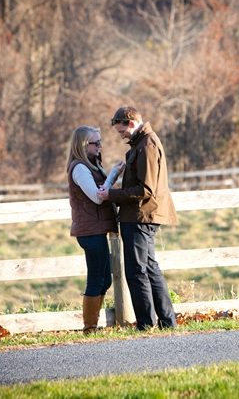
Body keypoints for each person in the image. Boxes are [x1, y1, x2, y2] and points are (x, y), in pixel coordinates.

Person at [98, 106, 178, 330]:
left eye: (122, 131)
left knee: (136, 271)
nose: (121, 135)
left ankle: (146, 323)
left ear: (131, 123)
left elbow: (146, 189)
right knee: (149, 268)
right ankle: (167, 321)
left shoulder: (147, 146)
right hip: (142, 214)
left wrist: (110, 195)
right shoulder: (142, 144)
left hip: (141, 216)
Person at [66, 125, 124, 334]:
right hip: (89, 232)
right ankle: (90, 327)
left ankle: (92, 325)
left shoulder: (91, 165)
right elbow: (97, 196)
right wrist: (114, 174)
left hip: (96, 230)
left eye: (100, 141)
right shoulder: (80, 168)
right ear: (83, 145)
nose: (100, 146)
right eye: (95, 142)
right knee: (96, 279)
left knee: (105, 279)